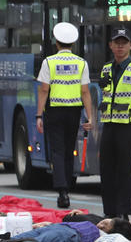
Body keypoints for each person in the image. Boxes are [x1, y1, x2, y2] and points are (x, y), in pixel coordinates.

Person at [35, 22, 94, 208]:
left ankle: (62, 192)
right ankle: (68, 185)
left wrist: (38, 115)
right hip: (74, 111)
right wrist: (90, 116)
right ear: (73, 44)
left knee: (57, 151)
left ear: (56, 43)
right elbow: (85, 92)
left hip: (54, 111)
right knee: (69, 150)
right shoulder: (80, 63)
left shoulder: (49, 62)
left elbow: (44, 90)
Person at [98, 28, 131, 219]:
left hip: (129, 126)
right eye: (117, 43)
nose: (120, 46)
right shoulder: (106, 69)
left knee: (124, 170)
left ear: (130, 45)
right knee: (106, 169)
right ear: (111, 45)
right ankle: (109, 211)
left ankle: (123, 212)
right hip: (109, 125)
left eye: (124, 42)